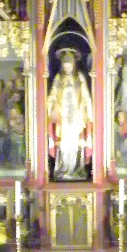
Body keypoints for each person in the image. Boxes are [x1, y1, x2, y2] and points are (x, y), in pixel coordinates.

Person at [47, 47, 93, 182]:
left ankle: (76, 169)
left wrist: (88, 111)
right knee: (64, 143)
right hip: (63, 117)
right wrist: (52, 107)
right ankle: (63, 169)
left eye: (69, 66)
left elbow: (85, 96)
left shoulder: (79, 78)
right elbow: (52, 96)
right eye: (65, 67)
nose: (67, 69)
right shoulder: (58, 78)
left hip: (76, 116)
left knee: (76, 143)